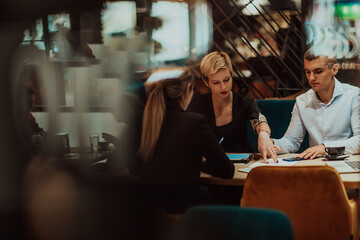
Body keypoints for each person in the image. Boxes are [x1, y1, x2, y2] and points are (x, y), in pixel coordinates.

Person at [133, 67, 234, 213]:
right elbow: (227, 171)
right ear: (188, 90)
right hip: (186, 214)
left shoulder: (139, 120)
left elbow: (133, 165)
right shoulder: (195, 122)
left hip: (146, 214)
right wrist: (202, 165)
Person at [188, 51, 278, 163]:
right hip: (210, 166)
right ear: (206, 82)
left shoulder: (243, 100)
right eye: (216, 82)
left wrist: (263, 134)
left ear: (231, 75)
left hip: (242, 163)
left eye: (227, 80)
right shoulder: (198, 104)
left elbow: (258, 120)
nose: (223, 87)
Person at [273, 47, 360, 159]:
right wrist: (273, 144)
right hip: (316, 165)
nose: (311, 78)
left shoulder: (353, 96)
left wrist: (325, 148)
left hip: (346, 162)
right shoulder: (302, 101)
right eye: (307, 72)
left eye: (318, 71)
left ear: (334, 69)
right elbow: (292, 141)